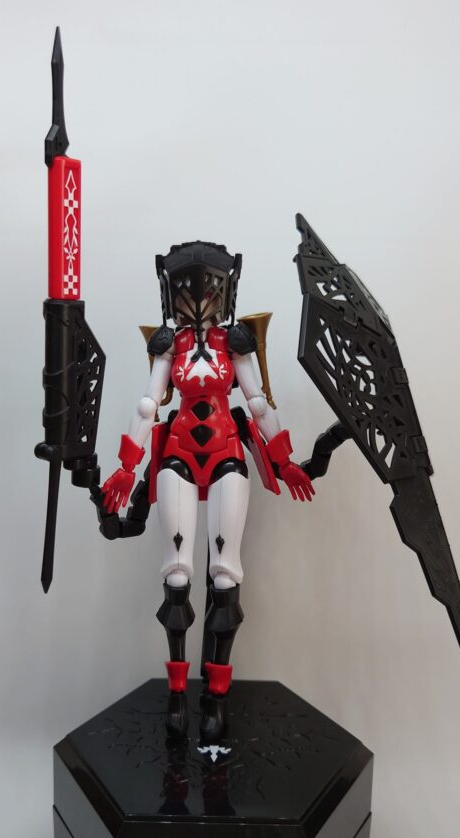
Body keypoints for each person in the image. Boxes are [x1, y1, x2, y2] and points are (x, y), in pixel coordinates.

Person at [101, 241, 314, 740]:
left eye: (207, 287)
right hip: (178, 453)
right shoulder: (168, 345)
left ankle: (216, 696)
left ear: (224, 289)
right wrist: (127, 467)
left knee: (224, 573)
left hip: (226, 455)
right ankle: (177, 692)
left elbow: (258, 403)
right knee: (177, 572)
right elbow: (149, 404)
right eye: (187, 288)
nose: (197, 296)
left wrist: (283, 460)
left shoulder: (234, 342)